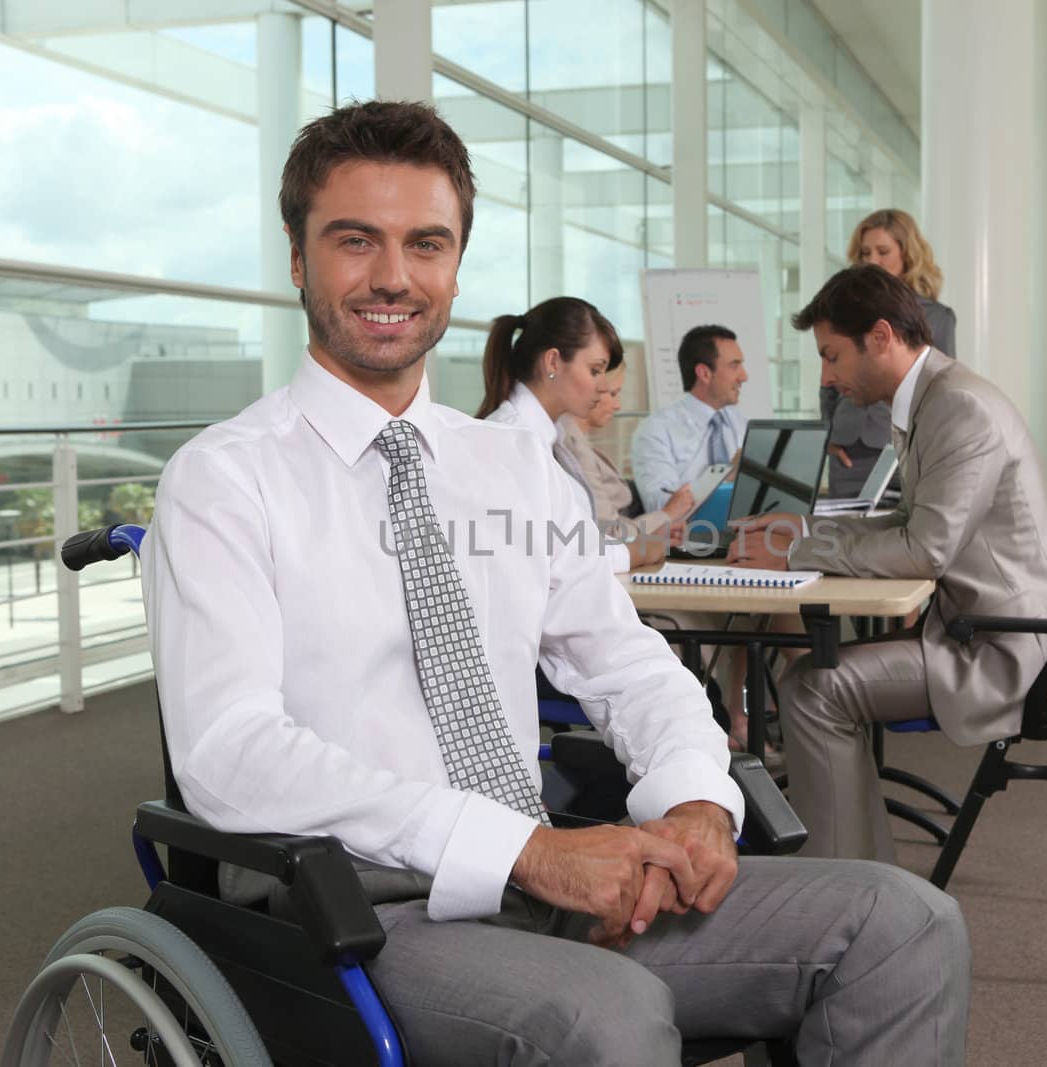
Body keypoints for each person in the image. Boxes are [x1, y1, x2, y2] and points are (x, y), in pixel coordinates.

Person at [143, 102, 969, 1065]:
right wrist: (527, 853)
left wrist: (695, 799)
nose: (393, 276)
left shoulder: (511, 468)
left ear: (456, 265)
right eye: (354, 240)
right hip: (355, 915)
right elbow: (231, 753)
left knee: (902, 925)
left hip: (549, 882)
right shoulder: (225, 477)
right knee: (606, 1018)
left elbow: (627, 664)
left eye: (426, 243)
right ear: (297, 257)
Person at [729, 264, 1047, 863]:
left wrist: (798, 549)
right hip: (991, 628)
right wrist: (804, 530)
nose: (826, 376)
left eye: (832, 355)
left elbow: (926, 549)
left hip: (1016, 651)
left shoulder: (959, 408)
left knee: (815, 687)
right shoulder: (937, 396)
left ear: (880, 337)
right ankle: (865, 876)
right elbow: (910, 524)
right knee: (814, 681)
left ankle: (846, 889)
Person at [477, 296, 688, 571]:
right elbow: (551, 557)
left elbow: (573, 544)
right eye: (595, 370)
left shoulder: (547, 438)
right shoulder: (513, 440)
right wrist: (635, 553)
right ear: (553, 362)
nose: (603, 387)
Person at [823, 209, 958, 498]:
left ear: (907, 255)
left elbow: (942, 392)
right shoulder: (844, 313)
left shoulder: (937, 317)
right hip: (846, 452)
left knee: (894, 537)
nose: (872, 260)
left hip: (900, 450)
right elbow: (829, 377)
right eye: (865, 252)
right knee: (838, 537)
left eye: (883, 251)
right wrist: (828, 434)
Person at [557, 361, 695, 543]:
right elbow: (609, 533)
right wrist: (667, 514)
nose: (617, 406)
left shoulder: (576, 442)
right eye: (613, 394)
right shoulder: (574, 448)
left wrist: (654, 534)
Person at [630, 325, 749, 515]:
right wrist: (725, 479)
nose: (744, 377)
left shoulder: (740, 422)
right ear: (704, 373)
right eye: (734, 366)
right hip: (685, 540)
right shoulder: (656, 430)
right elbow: (660, 507)